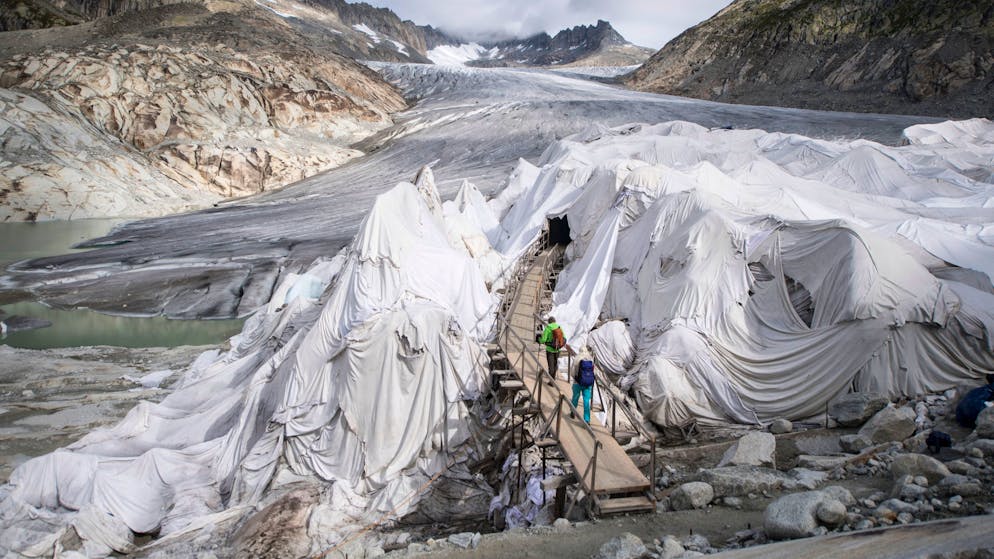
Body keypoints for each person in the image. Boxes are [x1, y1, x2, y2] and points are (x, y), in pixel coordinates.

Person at [538, 316, 565, 383]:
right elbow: (563, 337)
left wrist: (539, 339)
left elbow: (543, 340)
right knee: (555, 364)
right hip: (557, 349)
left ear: (549, 322)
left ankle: (551, 381)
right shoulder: (559, 327)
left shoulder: (548, 328)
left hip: (550, 349)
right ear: (554, 321)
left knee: (551, 365)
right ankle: (553, 378)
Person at [571, 355, 596, 424]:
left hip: (577, 383)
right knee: (586, 401)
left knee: (575, 398)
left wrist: (575, 378)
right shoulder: (590, 359)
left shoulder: (577, 358)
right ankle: (587, 419)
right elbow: (594, 372)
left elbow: (572, 372)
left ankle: (573, 411)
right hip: (587, 384)